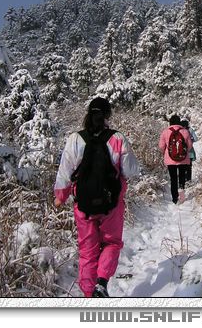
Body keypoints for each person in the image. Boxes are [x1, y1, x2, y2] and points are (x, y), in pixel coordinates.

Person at [54, 97, 139, 298]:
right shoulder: (117, 138)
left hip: (83, 205)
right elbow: (131, 170)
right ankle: (102, 282)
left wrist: (60, 196)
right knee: (112, 243)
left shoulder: (75, 139)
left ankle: (88, 295)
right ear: (108, 115)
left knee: (87, 251)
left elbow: (65, 173)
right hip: (112, 204)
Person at [158, 114, 193, 204]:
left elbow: (161, 146)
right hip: (183, 159)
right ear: (179, 122)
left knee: (173, 179)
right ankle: (181, 196)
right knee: (182, 177)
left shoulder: (165, 131)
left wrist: (165, 153)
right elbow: (189, 146)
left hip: (170, 159)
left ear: (170, 122)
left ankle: (175, 199)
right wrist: (184, 152)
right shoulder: (185, 131)